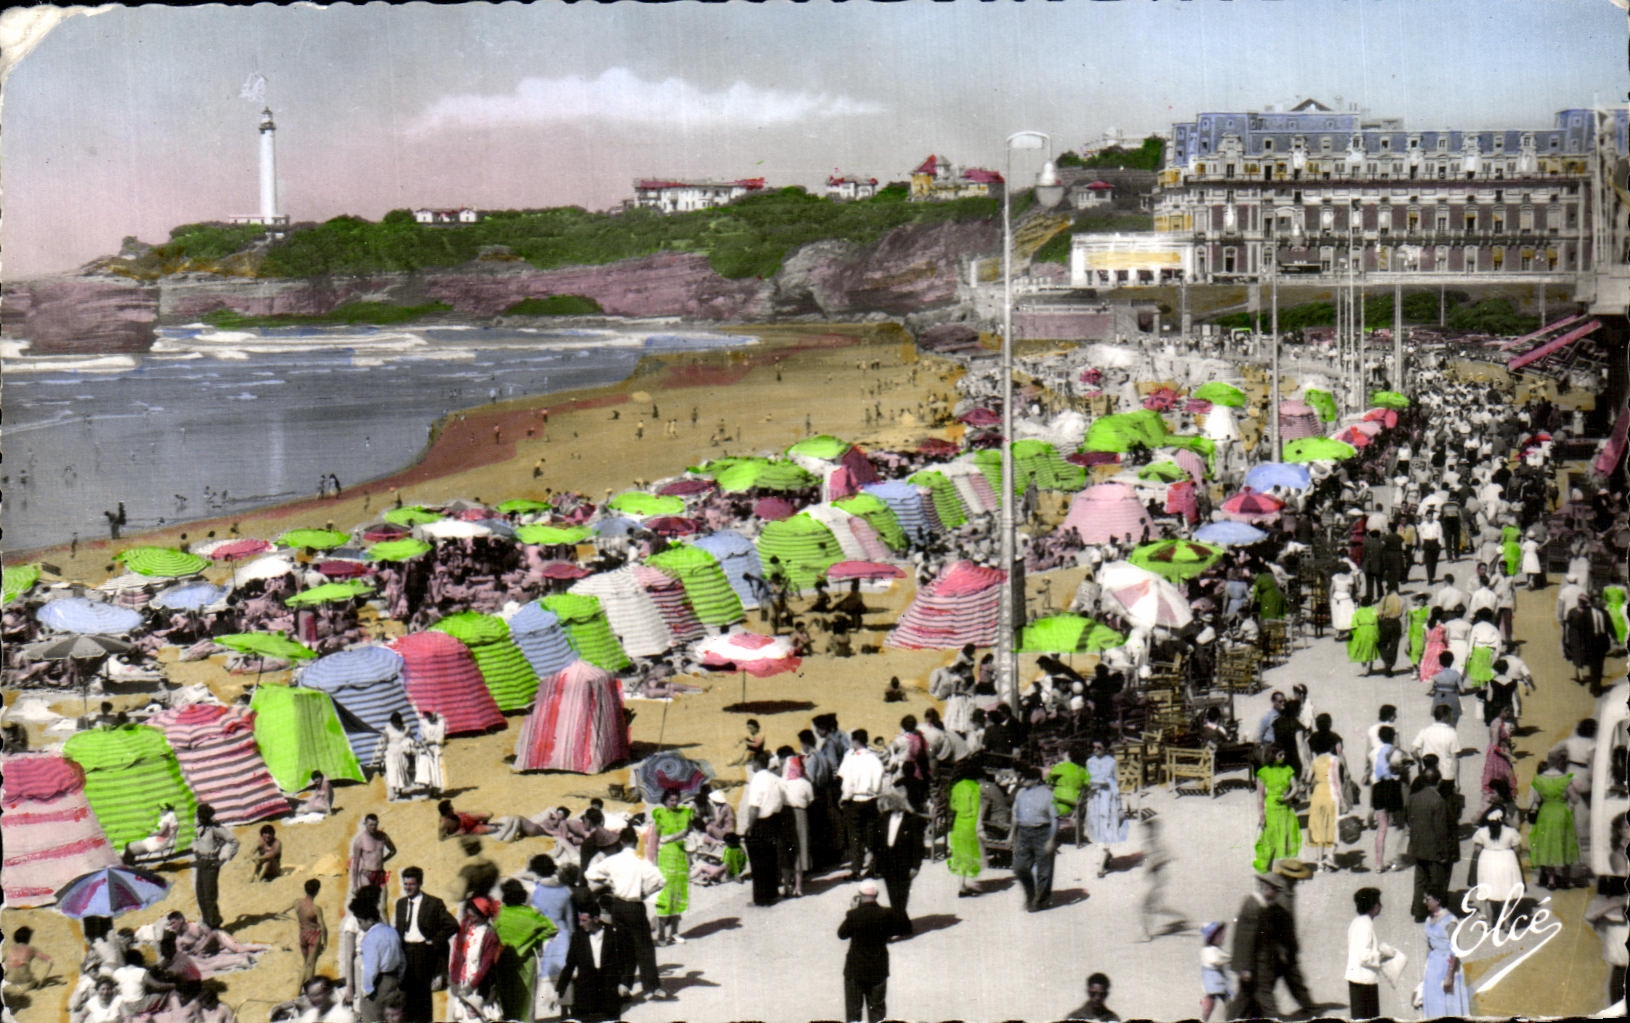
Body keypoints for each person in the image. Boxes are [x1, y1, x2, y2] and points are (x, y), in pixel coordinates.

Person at [584, 827, 666, 1000]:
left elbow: (589, 873)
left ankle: (624, 985)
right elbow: (661, 880)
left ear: (621, 842)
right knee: (644, 947)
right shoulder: (640, 860)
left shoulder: (612, 860)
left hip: (618, 905)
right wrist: (646, 892)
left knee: (625, 947)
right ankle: (652, 987)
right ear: (636, 842)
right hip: (634, 905)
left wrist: (609, 883)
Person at [837, 880, 912, 1023]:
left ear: (860, 895)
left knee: (854, 1010)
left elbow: (842, 934)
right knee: (877, 1009)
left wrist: (853, 910)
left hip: (855, 968)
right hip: (878, 967)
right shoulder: (886, 913)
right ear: (876, 895)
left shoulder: (854, 915)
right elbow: (899, 929)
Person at [393, 867, 457, 1023]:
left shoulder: (433, 903)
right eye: (405, 884)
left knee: (422, 999)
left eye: (412, 884)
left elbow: (452, 925)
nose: (408, 887)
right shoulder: (400, 904)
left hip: (423, 953)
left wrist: (434, 941)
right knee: (405, 998)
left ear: (420, 883)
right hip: (405, 952)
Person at [493, 878, 556, 1020]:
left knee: (506, 999)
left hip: (503, 959)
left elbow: (491, 933)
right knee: (526, 1000)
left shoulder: (498, 913)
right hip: (526, 959)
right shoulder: (532, 913)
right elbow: (552, 928)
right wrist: (534, 939)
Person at [555, 906, 631, 1023]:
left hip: (609, 992)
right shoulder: (578, 936)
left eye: (584, 920)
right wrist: (559, 991)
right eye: (579, 920)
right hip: (585, 994)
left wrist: (625, 983)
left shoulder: (616, 933)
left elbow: (628, 960)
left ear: (595, 919)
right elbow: (570, 965)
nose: (580, 924)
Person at [528, 857, 575, 1017]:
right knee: (565, 972)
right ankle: (565, 1011)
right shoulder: (565, 891)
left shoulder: (535, 892)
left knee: (548, 974)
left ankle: (551, 1006)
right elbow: (570, 921)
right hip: (563, 934)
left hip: (546, 937)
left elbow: (534, 921)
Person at [1407, 766, 1455, 922]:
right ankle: (1435, 913)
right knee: (1436, 883)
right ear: (1439, 781)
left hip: (1418, 846)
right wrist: (1444, 853)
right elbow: (1440, 830)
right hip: (1434, 849)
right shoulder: (1438, 801)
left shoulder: (1413, 798)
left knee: (1419, 881)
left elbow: (1410, 820)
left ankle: (1418, 912)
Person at [1529, 749, 1581, 890]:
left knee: (1548, 844)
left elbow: (1536, 798)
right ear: (1560, 762)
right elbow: (1575, 799)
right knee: (1565, 843)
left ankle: (1551, 879)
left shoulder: (1540, 779)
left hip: (1546, 812)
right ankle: (1565, 878)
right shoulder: (1565, 779)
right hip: (1562, 812)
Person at [740, 749, 786, 908]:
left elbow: (754, 807)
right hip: (775, 819)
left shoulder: (757, 780)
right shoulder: (775, 778)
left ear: (757, 763)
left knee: (758, 863)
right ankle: (772, 893)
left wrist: (750, 826)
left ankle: (761, 898)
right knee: (771, 858)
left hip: (761, 821)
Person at [1010, 765, 1059, 912]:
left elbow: (1055, 819)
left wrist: (1051, 839)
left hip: (1042, 832)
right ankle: (1030, 895)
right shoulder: (1020, 793)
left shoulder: (1048, 795)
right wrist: (1012, 835)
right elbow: (1015, 815)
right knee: (1019, 867)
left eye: (1026, 778)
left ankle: (1041, 900)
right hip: (1024, 832)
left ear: (1036, 779)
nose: (1022, 780)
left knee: (1044, 870)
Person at [1344, 887, 1398, 1019]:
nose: (1380, 906)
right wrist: (1383, 955)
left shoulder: (1356, 922)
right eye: (1378, 903)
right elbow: (1364, 956)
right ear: (1373, 907)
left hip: (1356, 978)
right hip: (1365, 980)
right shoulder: (1366, 924)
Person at [837, 729, 884, 880]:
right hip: (871, 799)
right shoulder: (875, 759)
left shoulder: (851, 759)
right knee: (871, 834)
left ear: (855, 741)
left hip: (855, 800)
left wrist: (845, 797)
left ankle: (856, 869)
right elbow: (878, 783)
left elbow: (848, 782)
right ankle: (874, 867)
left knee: (855, 836)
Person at [872, 786, 926, 914]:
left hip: (904, 863)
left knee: (901, 895)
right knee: (892, 893)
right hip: (888, 861)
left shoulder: (913, 820)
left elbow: (918, 846)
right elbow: (876, 839)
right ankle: (901, 923)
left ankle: (900, 922)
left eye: (892, 801)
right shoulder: (884, 818)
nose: (889, 804)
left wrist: (915, 866)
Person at [445, 897, 500, 1022]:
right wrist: (455, 977)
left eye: (474, 914)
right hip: (465, 979)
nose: (470, 916)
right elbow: (459, 952)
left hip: (479, 984)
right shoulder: (468, 927)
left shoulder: (490, 934)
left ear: (482, 915)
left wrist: (471, 986)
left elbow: (486, 966)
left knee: (478, 1016)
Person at [650, 789, 693, 944]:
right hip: (666, 859)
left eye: (676, 800)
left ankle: (674, 932)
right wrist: (653, 862)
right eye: (671, 800)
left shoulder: (684, 814)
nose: (674, 803)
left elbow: (690, 832)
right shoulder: (660, 815)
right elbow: (655, 839)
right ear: (665, 801)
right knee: (665, 898)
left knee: (678, 896)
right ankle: (661, 934)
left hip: (680, 858)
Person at [354, 894, 405, 1023]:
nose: (360, 926)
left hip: (377, 984)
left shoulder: (370, 938)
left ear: (370, 920)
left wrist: (367, 990)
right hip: (393, 981)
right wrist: (397, 978)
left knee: (372, 1018)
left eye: (360, 922)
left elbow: (371, 968)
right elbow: (402, 960)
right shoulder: (392, 932)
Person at [1470, 807, 1525, 921]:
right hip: (1506, 860)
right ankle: (1507, 924)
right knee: (1507, 892)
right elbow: (1517, 849)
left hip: (1488, 861)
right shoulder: (1511, 832)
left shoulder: (1482, 831)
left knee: (1489, 894)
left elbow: (1477, 849)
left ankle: (1489, 923)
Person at [1420, 889, 1469, 1017]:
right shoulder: (1428, 919)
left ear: (1438, 901)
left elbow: (1455, 950)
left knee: (1449, 1006)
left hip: (1448, 967)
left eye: (1428, 899)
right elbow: (1429, 946)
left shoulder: (1450, 921)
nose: (1424, 902)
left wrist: (1449, 975)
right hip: (1433, 966)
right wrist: (1425, 971)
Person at [1252, 744, 1301, 873]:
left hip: (1286, 810)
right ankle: (1267, 869)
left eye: (1284, 754)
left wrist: (1288, 797)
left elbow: (1295, 788)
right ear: (1272, 756)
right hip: (1272, 810)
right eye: (1280, 755)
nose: (1283, 757)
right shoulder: (1263, 773)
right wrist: (1261, 815)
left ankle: (1287, 869)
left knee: (1288, 838)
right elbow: (1260, 796)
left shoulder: (1288, 769)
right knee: (1270, 840)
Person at [192, 804, 240, 931]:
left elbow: (234, 841)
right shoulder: (198, 828)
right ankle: (207, 922)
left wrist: (226, 858)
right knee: (200, 894)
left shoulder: (215, 829)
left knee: (209, 896)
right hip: (201, 862)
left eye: (202, 817)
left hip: (211, 863)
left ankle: (214, 924)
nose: (200, 819)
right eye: (199, 816)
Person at [1138, 817, 1186, 940]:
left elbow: (1164, 858)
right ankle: (1181, 917)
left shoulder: (1155, 843)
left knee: (1146, 906)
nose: (1145, 833)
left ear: (1152, 830)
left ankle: (1146, 934)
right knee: (1154, 907)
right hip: (1157, 880)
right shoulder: (1150, 842)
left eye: (1147, 830)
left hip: (1158, 881)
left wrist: (1153, 866)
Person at [1085, 739, 1127, 875]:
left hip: (1106, 798)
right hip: (1094, 798)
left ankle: (1101, 865)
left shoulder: (1111, 762)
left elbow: (1115, 782)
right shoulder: (1089, 762)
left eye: (1099, 747)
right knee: (1096, 828)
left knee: (1106, 827)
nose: (1096, 750)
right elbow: (1087, 779)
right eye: (1094, 747)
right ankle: (1106, 854)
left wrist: (1118, 802)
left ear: (1105, 749)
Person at [947, 760, 987, 897]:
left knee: (960, 856)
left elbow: (952, 806)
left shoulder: (957, 786)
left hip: (959, 823)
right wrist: (979, 827)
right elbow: (977, 809)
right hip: (970, 823)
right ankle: (970, 884)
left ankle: (962, 886)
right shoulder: (975, 787)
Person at [279, 878, 328, 985]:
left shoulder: (297, 902)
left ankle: (298, 990)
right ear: (317, 891)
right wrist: (325, 940)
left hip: (302, 935)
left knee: (305, 964)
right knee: (311, 965)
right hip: (313, 936)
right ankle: (308, 989)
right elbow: (323, 926)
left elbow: (284, 910)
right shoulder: (316, 908)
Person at [1371, 726, 1406, 872]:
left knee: (1382, 828)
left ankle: (1379, 863)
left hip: (1378, 789)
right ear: (1393, 737)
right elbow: (1400, 769)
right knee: (1399, 826)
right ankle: (1396, 860)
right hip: (1393, 789)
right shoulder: (1396, 752)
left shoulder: (1373, 752)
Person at [1306, 746, 1344, 873]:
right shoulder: (1334, 760)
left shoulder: (1315, 760)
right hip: (1331, 794)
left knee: (1319, 828)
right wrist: (1343, 800)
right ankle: (1330, 857)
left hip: (1318, 794)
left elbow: (1308, 779)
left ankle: (1320, 864)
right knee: (1334, 826)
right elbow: (1336, 780)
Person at [350, 815, 397, 896]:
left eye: (375, 825)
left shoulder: (383, 836)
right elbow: (355, 864)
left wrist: (383, 860)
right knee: (368, 904)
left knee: (382, 905)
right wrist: (354, 885)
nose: (373, 827)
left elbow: (393, 851)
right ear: (365, 824)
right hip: (366, 875)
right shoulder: (360, 841)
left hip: (380, 874)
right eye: (370, 825)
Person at [1198, 922, 1231, 1022]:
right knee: (1211, 999)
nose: (1222, 937)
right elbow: (1215, 960)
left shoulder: (1215, 949)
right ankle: (1205, 1019)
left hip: (1218, 979)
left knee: (1225, 997)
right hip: (1211, 979)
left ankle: (1231, 1015)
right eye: (1219, 936)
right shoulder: (1208, 950)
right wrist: (1230, 959)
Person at [3, 926, 51, 993]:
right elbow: (50, 962)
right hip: (25, 980)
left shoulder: (9, 949)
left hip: (9, 980)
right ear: (28, 938)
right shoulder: (31, 949)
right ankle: (36, 985)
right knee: (34, 978)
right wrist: (41, 982)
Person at [383, 712, 415, 801]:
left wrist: (410, 747)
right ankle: (393, 792)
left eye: (396, 722)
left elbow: (411, 739)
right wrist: (382, 754)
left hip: (401, 753)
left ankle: (400, 791)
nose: (395, 724)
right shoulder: (388, 729)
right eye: (393, 722)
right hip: (391, 753)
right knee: (392, 772)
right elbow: (385, 742)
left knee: (401, 771)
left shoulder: (405, 729)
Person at [414, 712, 446, 797]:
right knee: (426, 770)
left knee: (436, 771)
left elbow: (440, 739)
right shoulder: (423, 725)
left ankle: (436, 790)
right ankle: (430, 789)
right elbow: (419, 737)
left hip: (435, 749)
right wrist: (421, 743)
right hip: (425, 750)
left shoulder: (440, 724)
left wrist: (431, 741)